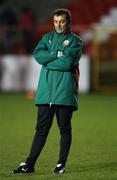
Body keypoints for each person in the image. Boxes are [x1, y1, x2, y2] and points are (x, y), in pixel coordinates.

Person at [12, 8, 83, 174]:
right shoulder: (47, 38)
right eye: (55, 21)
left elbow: (67, 63)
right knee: (41, 130)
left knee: (64, 128)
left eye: (62, 21)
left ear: (68, 22)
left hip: (64, 94)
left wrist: (48, 61)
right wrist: (56, 54)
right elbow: (38, 56)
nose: (58, 25)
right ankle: (29, 165)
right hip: (45, 93)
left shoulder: (75, 41)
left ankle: (60, 164)